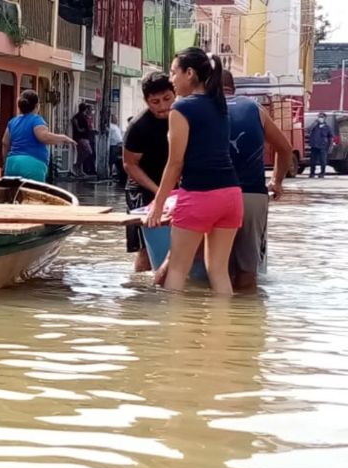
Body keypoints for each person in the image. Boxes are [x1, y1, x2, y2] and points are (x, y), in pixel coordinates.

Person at [145, 48, 242, 295]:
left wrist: (158, 204)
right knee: (219, 272)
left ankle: (174, 331)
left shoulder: (182, 108)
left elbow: (175, 163)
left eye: (173, 72)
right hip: (231, 195)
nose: (170, 79)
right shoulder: (219, 104)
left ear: (189, 73)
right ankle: (223, 329)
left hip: (200, 195)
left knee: (177, 269)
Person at [223, 70, 293, 290]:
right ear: (233, 88)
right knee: (248, 267)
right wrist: (276, 181)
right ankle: (248, 317)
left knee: (214, 265)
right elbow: (285, 148)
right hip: (251, 195)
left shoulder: (200, 108)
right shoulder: (255, 108)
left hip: (213, 193)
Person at [123, 72, 176, 272]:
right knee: (145, 249)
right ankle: (140, 295)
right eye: (155, 102)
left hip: (174, 188)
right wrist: (160, 192)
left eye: (167, 99)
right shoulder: (138, 126)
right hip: (143, 190)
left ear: (175, 93)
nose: (162, 106)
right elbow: (130, 165)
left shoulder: (183, 117)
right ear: (146, 101)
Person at [1, 90, 77, 182]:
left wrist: (6, 162)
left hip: (12, 164)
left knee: (12, 195)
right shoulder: (36, 119)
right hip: (31, 165)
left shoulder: (12, 121)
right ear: (37, 106)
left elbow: (5, 143)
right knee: (33, 194)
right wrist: (63, 138)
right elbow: (43, 137)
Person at [308, 112, 333, 178]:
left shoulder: (327, 127)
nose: (320, 118)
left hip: (323, 146)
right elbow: (308, 130)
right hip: (314, 146)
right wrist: (314, 124)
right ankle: (312, 173)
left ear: (325, 118)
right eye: (319, 117)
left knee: (323, 161)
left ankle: (322, 173)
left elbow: (330, 137)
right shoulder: (314, 126)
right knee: (313, 161)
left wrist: (330, 146)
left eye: (322, 117)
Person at [71, 104, 93, 177]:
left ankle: (80, 170)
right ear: (85, 109)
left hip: (82, 137)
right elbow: (77, 125)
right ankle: (77, 165)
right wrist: (80, 129)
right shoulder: (79, 117)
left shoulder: (81, 116)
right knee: (88, 151)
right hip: (81, 138)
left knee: (80, 153)